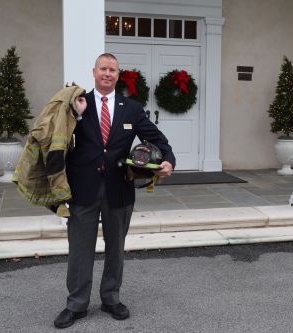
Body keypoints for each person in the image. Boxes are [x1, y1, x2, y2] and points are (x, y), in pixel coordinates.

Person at [54, 53, 175, 329]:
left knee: (116, 249)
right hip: (82, 188)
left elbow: (156, 139)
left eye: (113, 70)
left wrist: (168, 159)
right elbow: (57, 134)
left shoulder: (131, 108)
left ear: (118, 75)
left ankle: (110, 298)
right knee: (80, 250)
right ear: (94, 72)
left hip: (118, 189)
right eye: (103, 69)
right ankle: (76, 305)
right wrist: (76, 114)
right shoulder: (76, 102)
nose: (107, 73)